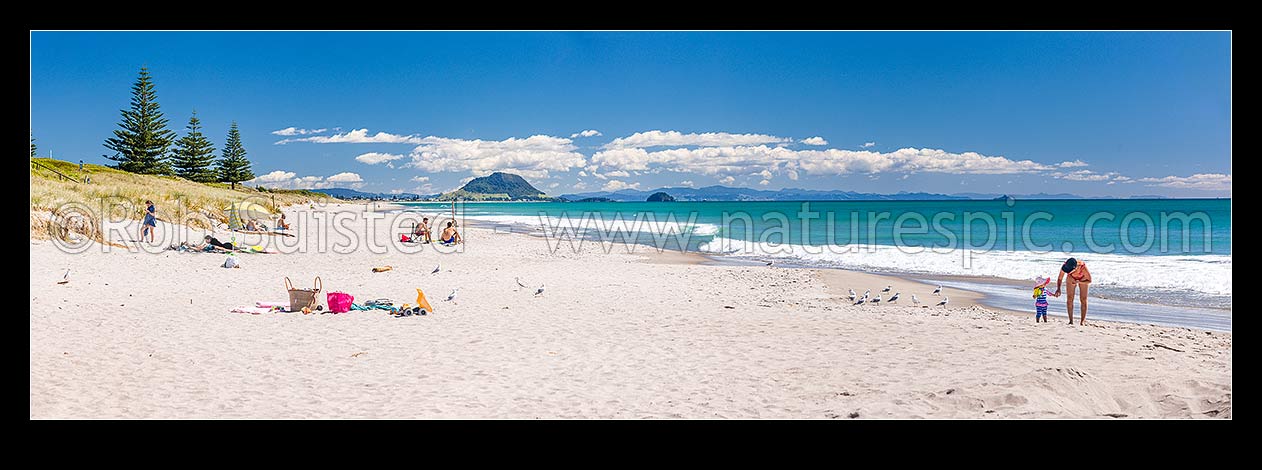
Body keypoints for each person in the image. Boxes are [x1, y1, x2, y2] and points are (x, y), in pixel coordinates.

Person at [1054, 258, 1092, 325]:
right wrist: (1058, 289)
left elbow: (1089, 280)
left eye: (1069, 271)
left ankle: (1082, 321)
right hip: (1071, 278)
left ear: (1075, 268)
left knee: (1083, 299)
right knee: (1070, 299)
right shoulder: (1065, 266)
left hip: (1083, 279)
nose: (1067, 272)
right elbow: (1060, 278)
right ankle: (1071, 321)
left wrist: (1078, 282)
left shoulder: (1082, 267)